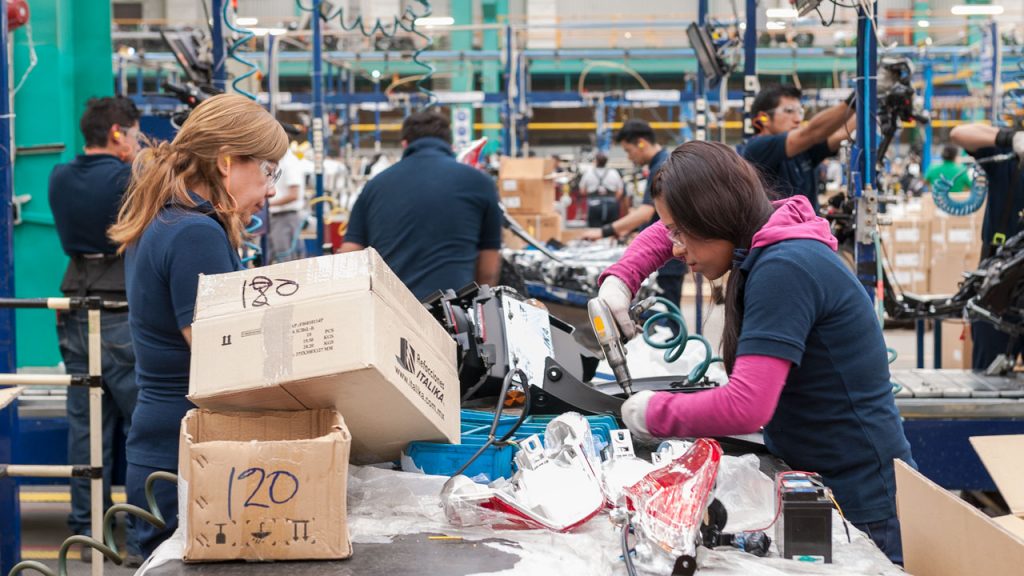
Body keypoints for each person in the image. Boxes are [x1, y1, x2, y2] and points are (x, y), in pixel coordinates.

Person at [599, 141, 913, 564]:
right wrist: (622, 277)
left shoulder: (784, 268)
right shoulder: (770, 231)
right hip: (821, 480)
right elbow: (669, 225)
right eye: (671, 231)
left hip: (862, 505)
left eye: (680, 233)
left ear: (715, 215)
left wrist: (649, 413)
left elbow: (748, 406)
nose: (674, 248)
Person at [108, 94, 288, 556]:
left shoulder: (167, 219)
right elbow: (222, 355)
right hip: (187, 458)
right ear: (228, 163)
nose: (270, 190)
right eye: (268, 171)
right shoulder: (195, 234)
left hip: (169, 449)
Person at [48, 96, 143, 565]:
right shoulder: (131, 177)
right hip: (122, 307)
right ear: (118, 134)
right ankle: (146, 534)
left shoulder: (59, 176)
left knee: (86, 428)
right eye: (136, 134)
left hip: (73, 304)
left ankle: (88, 532)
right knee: (142, 427)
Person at [340, 110, 502, 299]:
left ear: (405, 143)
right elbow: (489, 266)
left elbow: (350, 252)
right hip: (455, 314)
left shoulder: (375, 185)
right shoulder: (479, 182)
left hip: (391, 310)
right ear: (450, 144)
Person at [581, 120, 686, 312]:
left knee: (667, 318)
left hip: (667, 258)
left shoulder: (661, 167)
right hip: (664, 254)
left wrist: (604, 231)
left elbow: (646, 213)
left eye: (629, 151)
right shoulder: (660, 163)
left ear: (641, 143)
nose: (630, 158)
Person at [949, 123, 1024, 370]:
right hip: (999, 291)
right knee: (987, 381)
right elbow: (959, 133)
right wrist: (1009, 138)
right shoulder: (1009, 161)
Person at [743, 84, 857, 212]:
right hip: (782, 232)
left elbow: (841, 133)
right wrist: (855, 98)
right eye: (789, 111)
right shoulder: (757, 148)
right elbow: (812, 133)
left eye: (800, 112)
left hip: (809, 230)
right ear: (764, 118)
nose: (797, 119)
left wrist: (869, 101)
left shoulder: (803, 149)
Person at [268, 145, 306, 262]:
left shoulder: (289, 162)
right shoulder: (281, 161)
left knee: (284, 258)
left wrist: (268, 205)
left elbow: (294, 195)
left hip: (285, 217)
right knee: (277, 255)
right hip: (278, 218)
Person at [579, 152, 624, 227]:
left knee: (594, 231)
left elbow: (582, 191)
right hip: (611, 206)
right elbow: (620, 191)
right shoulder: (613, 173)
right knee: (611, 230)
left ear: (596, 161)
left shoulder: (588, 173)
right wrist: (613, 199)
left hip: (594, 206)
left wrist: (592, 194)